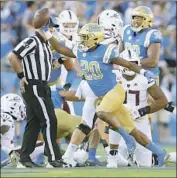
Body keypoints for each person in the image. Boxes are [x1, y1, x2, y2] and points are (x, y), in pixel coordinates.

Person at [7, 9, 67, 168]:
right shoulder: (33, 41)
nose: (54, 30)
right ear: (46, 26)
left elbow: (47, 68)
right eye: (52, 27)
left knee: (34, 123)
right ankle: (54, 158)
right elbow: (12, 56)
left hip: (41, 85)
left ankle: (24, 157)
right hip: (33, 85)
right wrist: (21, 76)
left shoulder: (45, 45)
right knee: (49, 120)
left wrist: (61, 60)